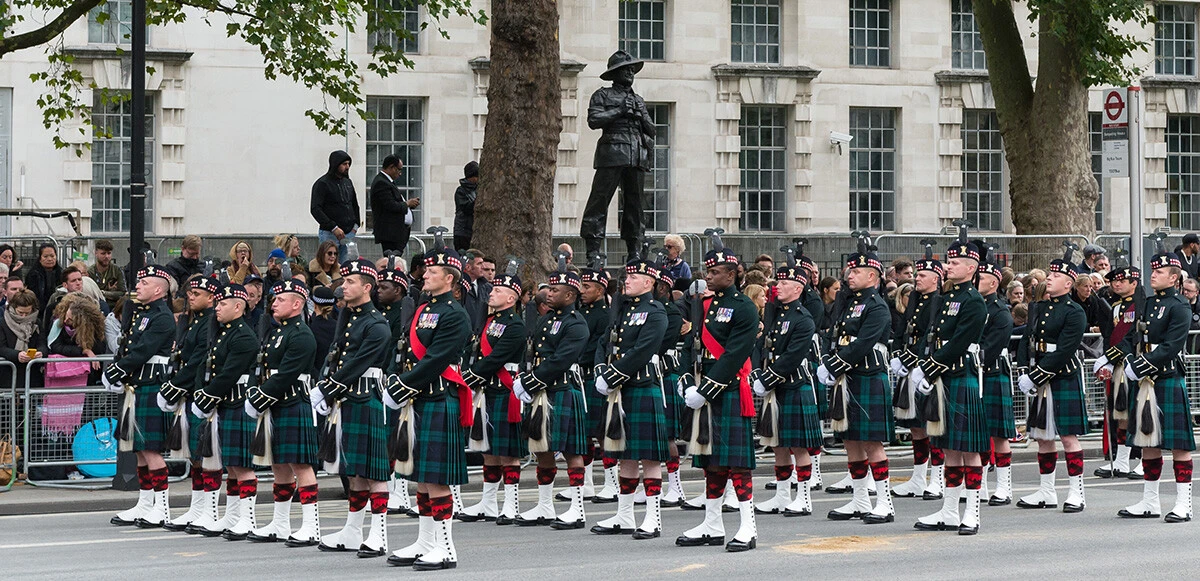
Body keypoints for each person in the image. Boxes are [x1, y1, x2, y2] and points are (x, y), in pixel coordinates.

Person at [383, 241, 472, 570]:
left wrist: (403, 385)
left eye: (433, 271)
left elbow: (436, 359)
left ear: (449, 278)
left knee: (436, 478)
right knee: (421, 475)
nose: (425, 275)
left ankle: (446, 548)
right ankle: (425, 541)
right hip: (419, 398)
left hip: (438, 396)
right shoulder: (422, 309)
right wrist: (397, 379)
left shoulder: (455, 315)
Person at [674, 234, 759, 552]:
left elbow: (735, 355)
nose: (708, 277)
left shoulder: (744, 307)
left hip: (728, 390)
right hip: (704, 391)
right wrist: (686, 380)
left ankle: (748, 526)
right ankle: (712, 523)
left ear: (732, 273)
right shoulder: (705, 306)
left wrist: (705, 390)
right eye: (707, 271)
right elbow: (690, 345)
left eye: (715, 272)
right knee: (711, 462)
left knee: (737, 463)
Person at [1105, 244, 1195, 523]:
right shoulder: (1147, 303)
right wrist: (1117, 360)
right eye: (1153, 270)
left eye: (1160, 272)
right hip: (1145, 379)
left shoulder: (1179, 306)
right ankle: (1150, 500)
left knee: (1179, 445)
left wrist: (1139, 366)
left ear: (1174, 277)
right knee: (1147, 442)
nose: (1153, 275)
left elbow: (1171, 346)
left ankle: (1184, 504)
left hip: (1166, 377)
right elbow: (1132, 337)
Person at [310, 259, 392, 557]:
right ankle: (353, 530)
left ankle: (379, 534)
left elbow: (358, 364)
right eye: (343, 281)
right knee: (355, 470)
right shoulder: (348, 316)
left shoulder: (376, 324)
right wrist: (324, 384)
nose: (343, 286)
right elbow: (335, 354)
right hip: (347, 398)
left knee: (374, 471)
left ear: (367, 287)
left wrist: (327, 389)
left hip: (365, 397)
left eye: (350, 282)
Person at [911, 236, 988, 535]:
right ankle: (950, 510)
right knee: (950, 448)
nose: (948, 266)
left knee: (969, 449)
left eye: (955, 262)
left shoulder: (973, 301)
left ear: (971, 268)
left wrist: (928, 369)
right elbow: (934, 336)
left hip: (959, 374)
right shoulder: (947, 297)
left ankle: (972, 513)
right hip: (944, 376)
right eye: (949, 261)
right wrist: (924, 364)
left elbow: (958, 343)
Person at [589, 256, 668, 540]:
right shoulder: (621, 309)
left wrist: (612, 375)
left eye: (633, 278)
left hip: (641, 386)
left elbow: (642, 350)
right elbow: (604, 342)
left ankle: (653, 518)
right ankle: (624, 515)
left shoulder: (655, 311)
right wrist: (600, 369)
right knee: (625, 455)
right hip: (621, 390)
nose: (627, 281)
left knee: (649, 457)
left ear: (648, 282)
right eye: (627, 277)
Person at [817, 238, 894, 525]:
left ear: (872, 276)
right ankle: (860, 500)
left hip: (868, 376)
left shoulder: (876, 306)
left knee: (872, 442)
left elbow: (862, 343)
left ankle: (884, 503)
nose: (850, 275)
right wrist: (829, 361)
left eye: (857, 271)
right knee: (851, 440)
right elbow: (836, 336)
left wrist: (832, 365)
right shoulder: (850, 303)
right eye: (850, 270)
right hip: (848, 378)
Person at [511, 257, 591, 530]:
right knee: (542, 448)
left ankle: (577, 509)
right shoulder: (546, 319)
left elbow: (560, 360)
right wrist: (525, 377)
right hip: (542, 391)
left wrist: (530, 382)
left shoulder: (576, 323)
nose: (549, 293)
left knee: (571, 450)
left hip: (563, 389)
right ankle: (544, 506)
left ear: (570, 295)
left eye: (555, 290)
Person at [244, 279, 322, 545]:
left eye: (280, 299)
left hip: (292, 401)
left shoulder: (301, 334)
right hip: (276, 403)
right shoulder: (278, 331)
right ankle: (280, 523)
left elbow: (287, 373)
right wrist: (255, 392)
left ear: (297, 304)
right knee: (279, 464)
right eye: (274, 299)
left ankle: (311, 526)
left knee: (301, 464)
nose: (274, 303)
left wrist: (260, 397)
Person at [1015, 245, 1089, 513]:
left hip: (1062, 376)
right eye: (1050, 274)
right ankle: (1046, 491)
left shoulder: (1074, 312)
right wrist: (1023, 369)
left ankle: (1076, 492)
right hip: (1040, 376)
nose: (1049, 277)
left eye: (1056, 276)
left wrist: (1034, 377)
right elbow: (1027, 340)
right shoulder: (1039, 307)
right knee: (1043, 437)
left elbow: (1064, 351)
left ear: (1068, 283)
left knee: (1068, 437)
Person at [183, 283, 260, 539]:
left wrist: (207, 396)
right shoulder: (223, 332)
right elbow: (208, 367)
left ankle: (248, 519)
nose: (217, 308)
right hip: (225, 403)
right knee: (232, 465)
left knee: (242, 465)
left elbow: (229, 374)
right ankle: (233, 515)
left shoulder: (244, 336)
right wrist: (203, 393)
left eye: (222, 304)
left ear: (238, 307)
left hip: (237, 402)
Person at [104, 265, 177, 528]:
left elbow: (143, 350)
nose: (138, 286)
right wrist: (119, 372)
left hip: (151, 385)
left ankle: (162, 508)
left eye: (144, 283)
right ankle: (145, 503)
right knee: (139, 450)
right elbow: (127, 346)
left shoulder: (162, 317)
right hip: (137, 385)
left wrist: (116, 371)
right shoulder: (140, 313)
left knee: (151, 449)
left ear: (158, 289)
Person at [751, 254, 821, 518]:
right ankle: (782, 496)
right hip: (776, 388)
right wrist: (758, 373)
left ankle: (803, 498)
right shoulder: (775, 314)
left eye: (783, 283)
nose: (777, 286)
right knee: (778, 444)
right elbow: (762, 345)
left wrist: (767, 379)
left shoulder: (803, 318)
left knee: (799, 446)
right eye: (777, 282)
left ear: (798, 288)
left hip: (794, 385)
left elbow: (792, 356)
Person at [458, 262, 528, 525]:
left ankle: (511, 504)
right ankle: (488, 502)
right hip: (487, 390)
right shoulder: (489, 321)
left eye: (498, 290)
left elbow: (495, 358)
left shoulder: (515, 325)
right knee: (487, 448)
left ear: (511, 298)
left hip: (503, 389)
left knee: (507, 451)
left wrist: (468, 377)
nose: (492, 292)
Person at [158, 275, 222, 533]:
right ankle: (197, 508)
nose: (191, 297)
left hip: (199, 393)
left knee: (207, 456)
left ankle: (210, 511)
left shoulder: (210, 323)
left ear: (211, 298)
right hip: (190, 393)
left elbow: (197, 360)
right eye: (190, 293)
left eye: (197, 294)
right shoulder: (196, 321)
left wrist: (175, 386)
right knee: (196, 456)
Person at [579, 50, 657, 260]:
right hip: (612, 153)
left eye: (632, 69)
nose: (630, 73)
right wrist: (620, 110)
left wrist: (641, 115)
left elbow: (652, 130)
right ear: (615, 73)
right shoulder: (602, 95)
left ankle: (634, 250)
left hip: (636, 156)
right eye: (626, 69)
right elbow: (594, 121)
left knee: (635, 205)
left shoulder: (638, 99)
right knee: (599, 201)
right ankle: (593, 251)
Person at [888, 247, 945, 501]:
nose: (917, 278)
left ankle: (938, 479)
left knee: (933, 425)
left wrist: (911, 359)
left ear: (935, 279)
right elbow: (903, 331)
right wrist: (898, 355)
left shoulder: (939, 301)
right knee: (915, 427)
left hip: (927, 369)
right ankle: (919, 477)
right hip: (910, 368)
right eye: (917, 274)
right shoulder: (914, 299)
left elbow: (931, 337)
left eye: (922, 275)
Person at [1091, 264, 1146, 481]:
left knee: (1141, 413)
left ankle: (1145, 460)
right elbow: (1109, 335)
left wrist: (1110, 357)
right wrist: (1108, 360)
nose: (1116, 284)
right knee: (1121, 413)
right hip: (1119, 364)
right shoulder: (1116, 305)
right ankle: (1122, 461)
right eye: (1114, 280)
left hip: (1135, 363)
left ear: (1134, 283)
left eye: (1122, 281)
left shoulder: (1141, 305)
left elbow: (1132, 338)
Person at [976, 252, 1017, 506]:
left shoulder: (1000, 312)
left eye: (980, 277)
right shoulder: (973, 306)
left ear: (993, 282)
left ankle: (1004, 487)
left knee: (1000, 434)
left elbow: (990, 348)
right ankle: (979, 485)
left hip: (992, 371)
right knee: (978, 433)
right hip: (975, 372)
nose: (975, 281)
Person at [577, 258, 612, 503]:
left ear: (600, 290)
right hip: (579, 376)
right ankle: (586, 482)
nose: (582, 290)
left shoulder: (605, 315)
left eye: (587, 286)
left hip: (593, 375)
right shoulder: (580, 313)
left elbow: (597, 346)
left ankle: (611, 482)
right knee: (584, 433)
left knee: (602, 432)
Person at [311, 150, 361, 264]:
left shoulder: (348, 182)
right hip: (329, 234)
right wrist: (333, 227)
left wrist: (356, 225)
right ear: (335, 164)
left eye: (348, 164)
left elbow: (354, 204)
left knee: (347, 266)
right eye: (344, 164)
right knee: (328, 264)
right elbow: (315, 209)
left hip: (349, 233)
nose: (347, 167)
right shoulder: (322, 184)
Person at [372, 155, 420, 255]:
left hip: (397, 232)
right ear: (392, 167)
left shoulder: (388, 182)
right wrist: (407, 203)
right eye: (399, 169)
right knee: (392, 259)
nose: (400, 173)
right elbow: (390, 205)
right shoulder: (381, 182)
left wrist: (409, 205)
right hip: (390, 233)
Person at [0, 289, 44, 392]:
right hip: (7, 376)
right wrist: (17, 355)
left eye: (27, 313)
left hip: (32, 376)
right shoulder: (2, 323)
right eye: (20, 312)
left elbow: (42, 344)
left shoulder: (37, 322)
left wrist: (40, 353)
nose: (24, 316)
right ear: (14, 307)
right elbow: (1, 347)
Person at [42, 264, 85, 332]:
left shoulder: (89, 301)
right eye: (73, 281)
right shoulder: (55, 301)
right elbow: (46, 326)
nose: (78, 283)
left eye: (79, 279)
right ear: (65, 285)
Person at [309, 286, 339, 372]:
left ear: (314, 304)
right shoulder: (338, 326)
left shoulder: (311, 327)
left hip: (315, 373)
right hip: (333, 371)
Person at [25, 243, 62, 310]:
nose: (49, 259)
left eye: (52, 256)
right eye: (45, 256)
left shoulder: (61, 273)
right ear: (40, 258)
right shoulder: (33, 274)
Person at [90, 239, 126, 305]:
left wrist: (104, 293)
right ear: (96, 253)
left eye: (109, 253)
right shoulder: (91, 272)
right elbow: (90, 294)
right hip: (96, 305)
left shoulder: (117, 270)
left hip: (114, 306)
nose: (106, 256)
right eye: (103, 253)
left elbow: (123, 293)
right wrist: (109, 293)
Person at [453, 161, 479, 252]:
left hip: (473, 231)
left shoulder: (477, 189)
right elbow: (466, 208)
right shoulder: (460, 191)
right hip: (463, 232)